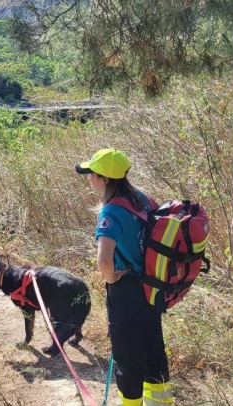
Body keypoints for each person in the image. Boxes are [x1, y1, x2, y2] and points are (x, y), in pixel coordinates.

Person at [75, 149, 172, 406]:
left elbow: (104, 261)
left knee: (128, 356)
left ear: (104, 179)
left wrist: (111, 277)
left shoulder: (110, 213)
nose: (89, 179)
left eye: (91, 174)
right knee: (153, 347)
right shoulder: (144, 199)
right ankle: (160, 402)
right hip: (152, 285)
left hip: (125, 289)